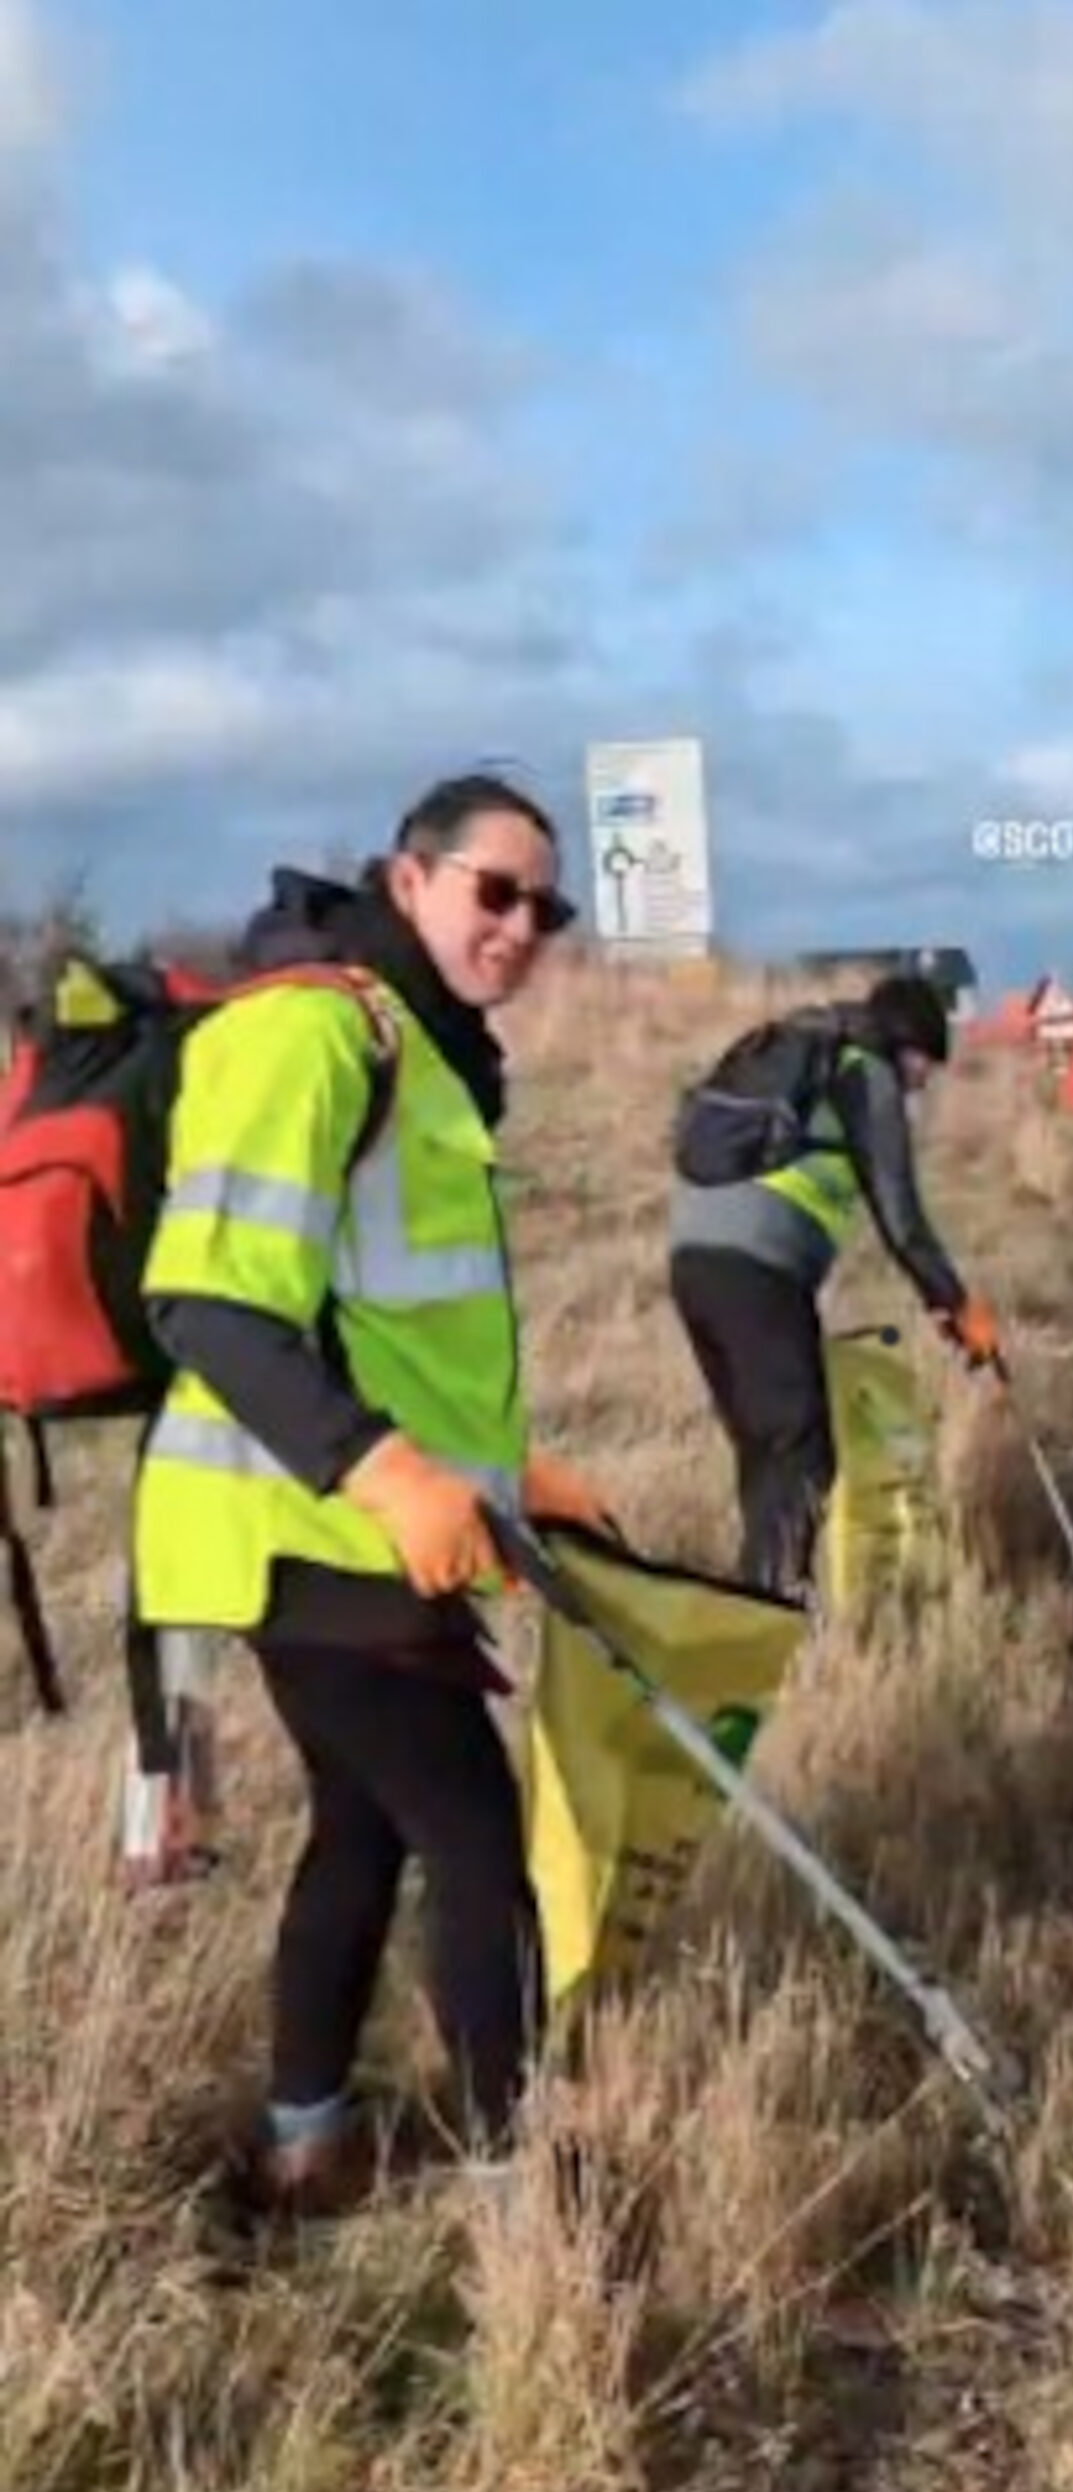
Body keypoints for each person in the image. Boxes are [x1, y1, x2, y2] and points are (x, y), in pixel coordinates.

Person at [130, 771, 617, 2212]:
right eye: (494, 890)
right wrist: (395, 1476)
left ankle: (308, 2136)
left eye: (548, 905)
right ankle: (516, 2182)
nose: (522, 926)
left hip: (354, 1521)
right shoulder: (309, 1032)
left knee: (367, 1822)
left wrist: (505, 1476)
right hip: (303, 1528)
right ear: (409, 881)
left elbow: (388, 1321)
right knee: (476, 1839)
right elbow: (208, 1306)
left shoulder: (419, 1050)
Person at [666, 971, 1001, 1601]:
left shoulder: (798, 1054)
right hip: (757, 1272)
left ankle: (761, 1601)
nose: (925, 1081)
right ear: (907, 1045)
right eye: (927, 1063)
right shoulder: (863, 1072)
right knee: (801, 1451)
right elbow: (901, 1218)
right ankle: (780, 1612)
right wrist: (957, 1306)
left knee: (765, 1450)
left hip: (693, 1265)